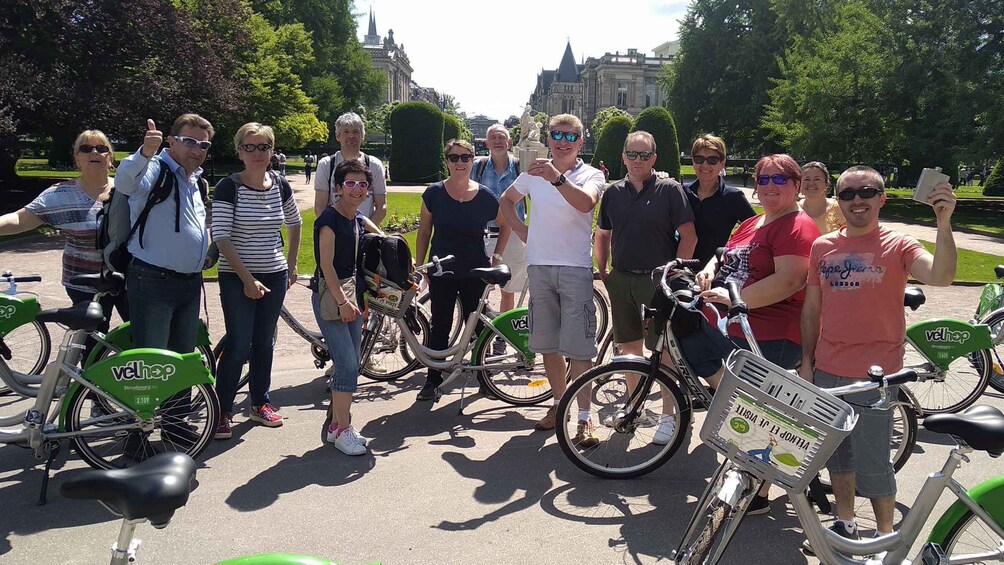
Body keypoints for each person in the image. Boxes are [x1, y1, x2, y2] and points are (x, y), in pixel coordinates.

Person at [799, 165, 956, 551]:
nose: (857, 200)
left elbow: (941, 276)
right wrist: (807, 361)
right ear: (840, 200)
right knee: (838, 459)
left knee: (874, 464)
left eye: (866, 192)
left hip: (877, 377)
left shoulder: (898, 245)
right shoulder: (824, 247)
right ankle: (846, 523)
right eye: (848, 193)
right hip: (829, 370)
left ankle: (886, 538)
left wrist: (944, 222)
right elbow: (812, 308)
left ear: (881, 198)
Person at [687, 154, 821, 514]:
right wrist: (709, 271)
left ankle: (758, 491)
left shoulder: (797, 226)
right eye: (763, 180)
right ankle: (745, 464)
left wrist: (735, 298)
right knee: (686, 338)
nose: (770, 186)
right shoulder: (754, 222)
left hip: (772, 332)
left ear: (795, 185)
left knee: (761, 414)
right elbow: (726, 253)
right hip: (737, 325)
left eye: (780, 180)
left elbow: (791, 280)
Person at [499, 114, 606, 434]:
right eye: (557, 135)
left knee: (580, 348)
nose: (563, 141)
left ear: (581, 143)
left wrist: (557, 178)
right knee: (547, 345)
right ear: (548, 139)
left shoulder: (591, 175)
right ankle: (559, 406)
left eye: (571, 137)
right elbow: (506, 200)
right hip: (540, 266)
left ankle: (585, 419)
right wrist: (522, 231)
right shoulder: (534, 173)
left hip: (574, 268)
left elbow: (586, 203)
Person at [594, 131, 696, 444]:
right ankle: (634, 406)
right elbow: (602, 234)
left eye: (644, 155)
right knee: (628, 347)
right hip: (622, 277)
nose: (638, 160)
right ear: (623, 156)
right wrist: (604, 270)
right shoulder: (613, 192)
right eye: (632, 154)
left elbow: (688, 236)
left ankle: (669, 415)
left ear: (654, 158)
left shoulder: (669, 189)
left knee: (662, 351)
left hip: (658, 280)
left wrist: (675, 274)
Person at [0, 130, 129, 359]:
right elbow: (21, 219)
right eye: (86, 148)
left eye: (101, 148)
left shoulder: (128, 191)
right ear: (77, 158)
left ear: (111, 158)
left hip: (128, 278)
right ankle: (91, 391)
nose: (94, 152)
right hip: (84, 283)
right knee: (92, 344)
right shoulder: (60, 194)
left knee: (138, 335)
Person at [211, 122, 302, 440]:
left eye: (264, 147)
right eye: (249, 147)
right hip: (237, 278)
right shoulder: (228, 187)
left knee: (264, 343)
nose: (257, 153)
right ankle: (221, 411)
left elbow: (295, 223)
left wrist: (290, 267)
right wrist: (247, 279)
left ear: (272, 150)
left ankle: (259, 403)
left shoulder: (280, 184)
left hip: (274, 276)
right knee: (238, 345)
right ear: (239, 151)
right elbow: (221, 236)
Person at [415, 139, 507, 401]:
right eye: (454, 158)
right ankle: (433, 379)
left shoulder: (486, 196)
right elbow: (424, 232)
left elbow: (505, 224)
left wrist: (496, 256)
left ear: (472, 159)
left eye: (465, 158)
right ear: (447, 161)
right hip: (441, 268)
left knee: (476, 323)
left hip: (473, 267)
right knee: (440, 323)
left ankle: (484, 377)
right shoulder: (433, 194)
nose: (459, 163)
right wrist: (421, 267)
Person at [116, 114, 213, 354]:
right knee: (155, 364)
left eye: (204, 145)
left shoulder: (197, 181)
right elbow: (125, 183)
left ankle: (181, 396)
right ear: (171, 141)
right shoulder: (154, 170)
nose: (197, 150)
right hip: (153, 282)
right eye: (189, 142)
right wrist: (145, 153)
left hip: (190, 284)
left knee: (182, 362)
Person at [311, 159, 382, 455]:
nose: (357, 189)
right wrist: (342, 302)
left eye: (363, 184)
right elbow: (325, 265)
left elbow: (382, 237)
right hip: (333, 294)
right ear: (338, 188)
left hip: (352, 292)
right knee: (347, 364)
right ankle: (342, 429)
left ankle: (335, 426)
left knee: (352, 361)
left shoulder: (356, 219)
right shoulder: (329, 219)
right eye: (350, 184)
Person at [471, 124, 526, 356]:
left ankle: (501, 339)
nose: (497, 140)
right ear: (486, 144)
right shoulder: (478, 166)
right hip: (484, 234)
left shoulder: (520, 166)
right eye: (492, 137)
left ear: (510, 142)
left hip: (512, 235)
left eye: (502, 136)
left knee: (507, 290)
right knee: (475, 289)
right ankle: (478, 335)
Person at [682, 134, 757, 269]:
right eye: (699, 159)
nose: (705, 165)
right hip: (680, 269)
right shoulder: (682, 192)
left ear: (722, 163)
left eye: (712, 160)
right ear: (693, 161)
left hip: (713, 271)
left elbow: (756, 230)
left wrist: (732, 249)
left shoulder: (733, 197)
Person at [314, 112, 387, 225]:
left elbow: (381, 206)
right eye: (346, 132)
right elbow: (320, 207)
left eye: (356, 132)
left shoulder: (374, 165)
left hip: (366, 235)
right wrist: (333, 231)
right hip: (335, 233)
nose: (351, 136)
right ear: (338, 136)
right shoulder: (326, 165)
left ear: (363, 136)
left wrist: (364, 233)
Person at [799, 161, 844, 234]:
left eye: (817, 179)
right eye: (806, 179)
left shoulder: (840, 208)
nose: (811, 183)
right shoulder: (794, 209)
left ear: (826, 184)